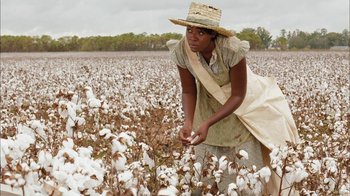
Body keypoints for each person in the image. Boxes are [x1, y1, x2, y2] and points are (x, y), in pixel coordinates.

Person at [166, 2, 299, 195]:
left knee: (244, 182)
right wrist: (189, 122)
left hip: (239, 116)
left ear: (213, 34)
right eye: (189, 30)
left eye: (200, 33)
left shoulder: (231, 50)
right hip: (205, 113)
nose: (192, 38)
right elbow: (188, 90)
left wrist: (207, 123)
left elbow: (238, 95)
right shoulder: (183, 50)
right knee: (205, 181)